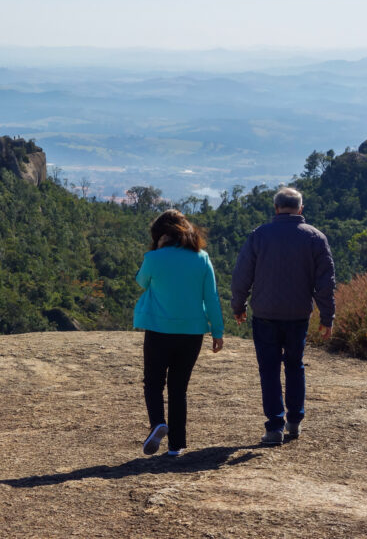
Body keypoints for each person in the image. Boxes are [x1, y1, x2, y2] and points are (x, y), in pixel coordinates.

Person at [231, 187, 335, 445]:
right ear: (300, 209)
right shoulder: (315, 238)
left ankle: (275, 427)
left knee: (268, 370)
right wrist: (326, 316)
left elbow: (242, 274)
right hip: (298, 315)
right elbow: (325, 283)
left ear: (276, 209)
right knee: (295, 365)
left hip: (265, 314)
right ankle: (295, 421)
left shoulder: (260, 235)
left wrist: (238, 305)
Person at [134, 209, 224, 457]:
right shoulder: (202, 258)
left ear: (161, 235)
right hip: (192, 332)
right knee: (178, 388)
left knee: (153, 382)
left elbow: (142, 281)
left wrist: (156, 251)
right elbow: (212, 298)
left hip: (159, 330)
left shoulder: (154, 258)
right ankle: (176, 446)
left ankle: (158, 424)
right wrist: (217, 331)